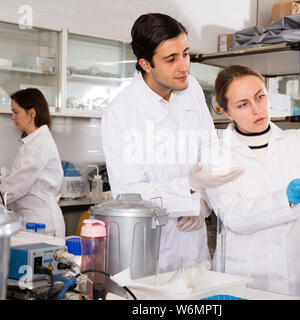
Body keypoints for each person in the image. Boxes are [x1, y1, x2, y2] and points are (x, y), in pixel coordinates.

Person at [197, 65, 300, 299]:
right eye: (243, 104)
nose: (257, 109)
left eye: (260, 97)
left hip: (298, 278)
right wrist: (286, 199)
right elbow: (234, 216)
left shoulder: (297, 142)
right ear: (227, 112)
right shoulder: (216, 154)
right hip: (246, 280)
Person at [102, 13, 243, 272]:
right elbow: (128, 194)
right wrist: (187, 190)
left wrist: (202, 201)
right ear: (146, 64)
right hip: (148, 250)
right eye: (171, 59)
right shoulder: (121, 111)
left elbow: (209, 153)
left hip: (194, 246)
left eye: (186, 54)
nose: (184, 66)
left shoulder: (192, 91)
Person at [0, 88, 65, 237]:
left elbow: (16, 187)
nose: (12, 117)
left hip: (40, 224)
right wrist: (0, 172)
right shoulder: (34, 141)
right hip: (33, 220)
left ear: (32, 113)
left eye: (16, 112)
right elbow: (23, 178)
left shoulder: (38, 144)